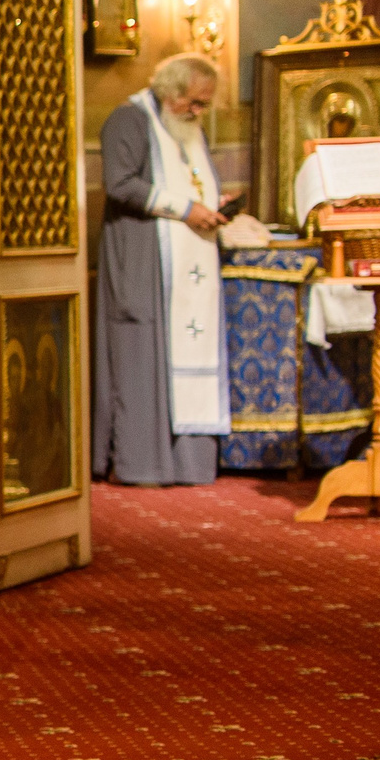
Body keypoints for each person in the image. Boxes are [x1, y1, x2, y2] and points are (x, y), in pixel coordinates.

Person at [92, 54, 231, 487]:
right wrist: (187, 209)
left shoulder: (185, 127)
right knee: (140, 350)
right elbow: (120, 182)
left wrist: (213, 204)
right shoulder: (128, 120)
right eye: (193, 103)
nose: (198, 112)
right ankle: (141, 462)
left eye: (204, 105)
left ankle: (190, 463)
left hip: (191, 259)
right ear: (170, 94)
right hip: (143, 258)